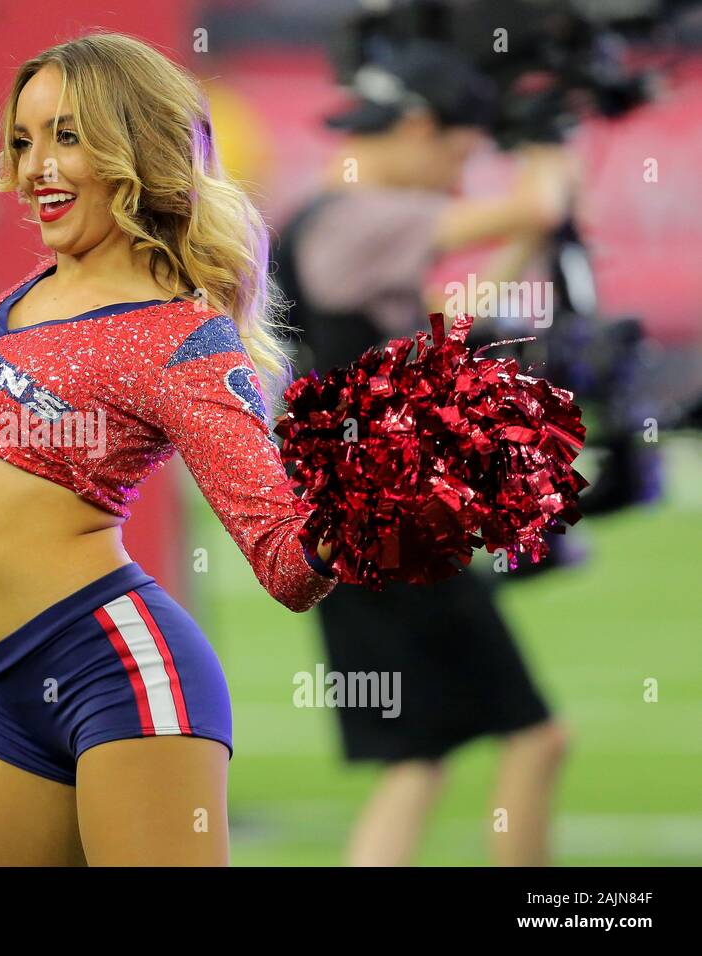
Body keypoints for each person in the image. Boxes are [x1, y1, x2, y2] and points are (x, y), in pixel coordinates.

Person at [0, 32, 337, 866]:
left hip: (123, 674)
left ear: (136, 149)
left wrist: (366, 510)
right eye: (24, 141)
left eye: (67, 137)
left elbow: (286, 560)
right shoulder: (8, 304)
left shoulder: (182, 338)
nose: (36, 168)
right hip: (16, 691)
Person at [272, 41, 576, 866]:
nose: (457, 176)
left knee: (417, 757)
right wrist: (548, 139)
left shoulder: (324, 222)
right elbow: (535, 210)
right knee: (536, 735)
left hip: (351, 520)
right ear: (414, 126)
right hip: (391, 523)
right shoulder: (361, 213)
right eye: (459, 152)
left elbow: (445, 326)